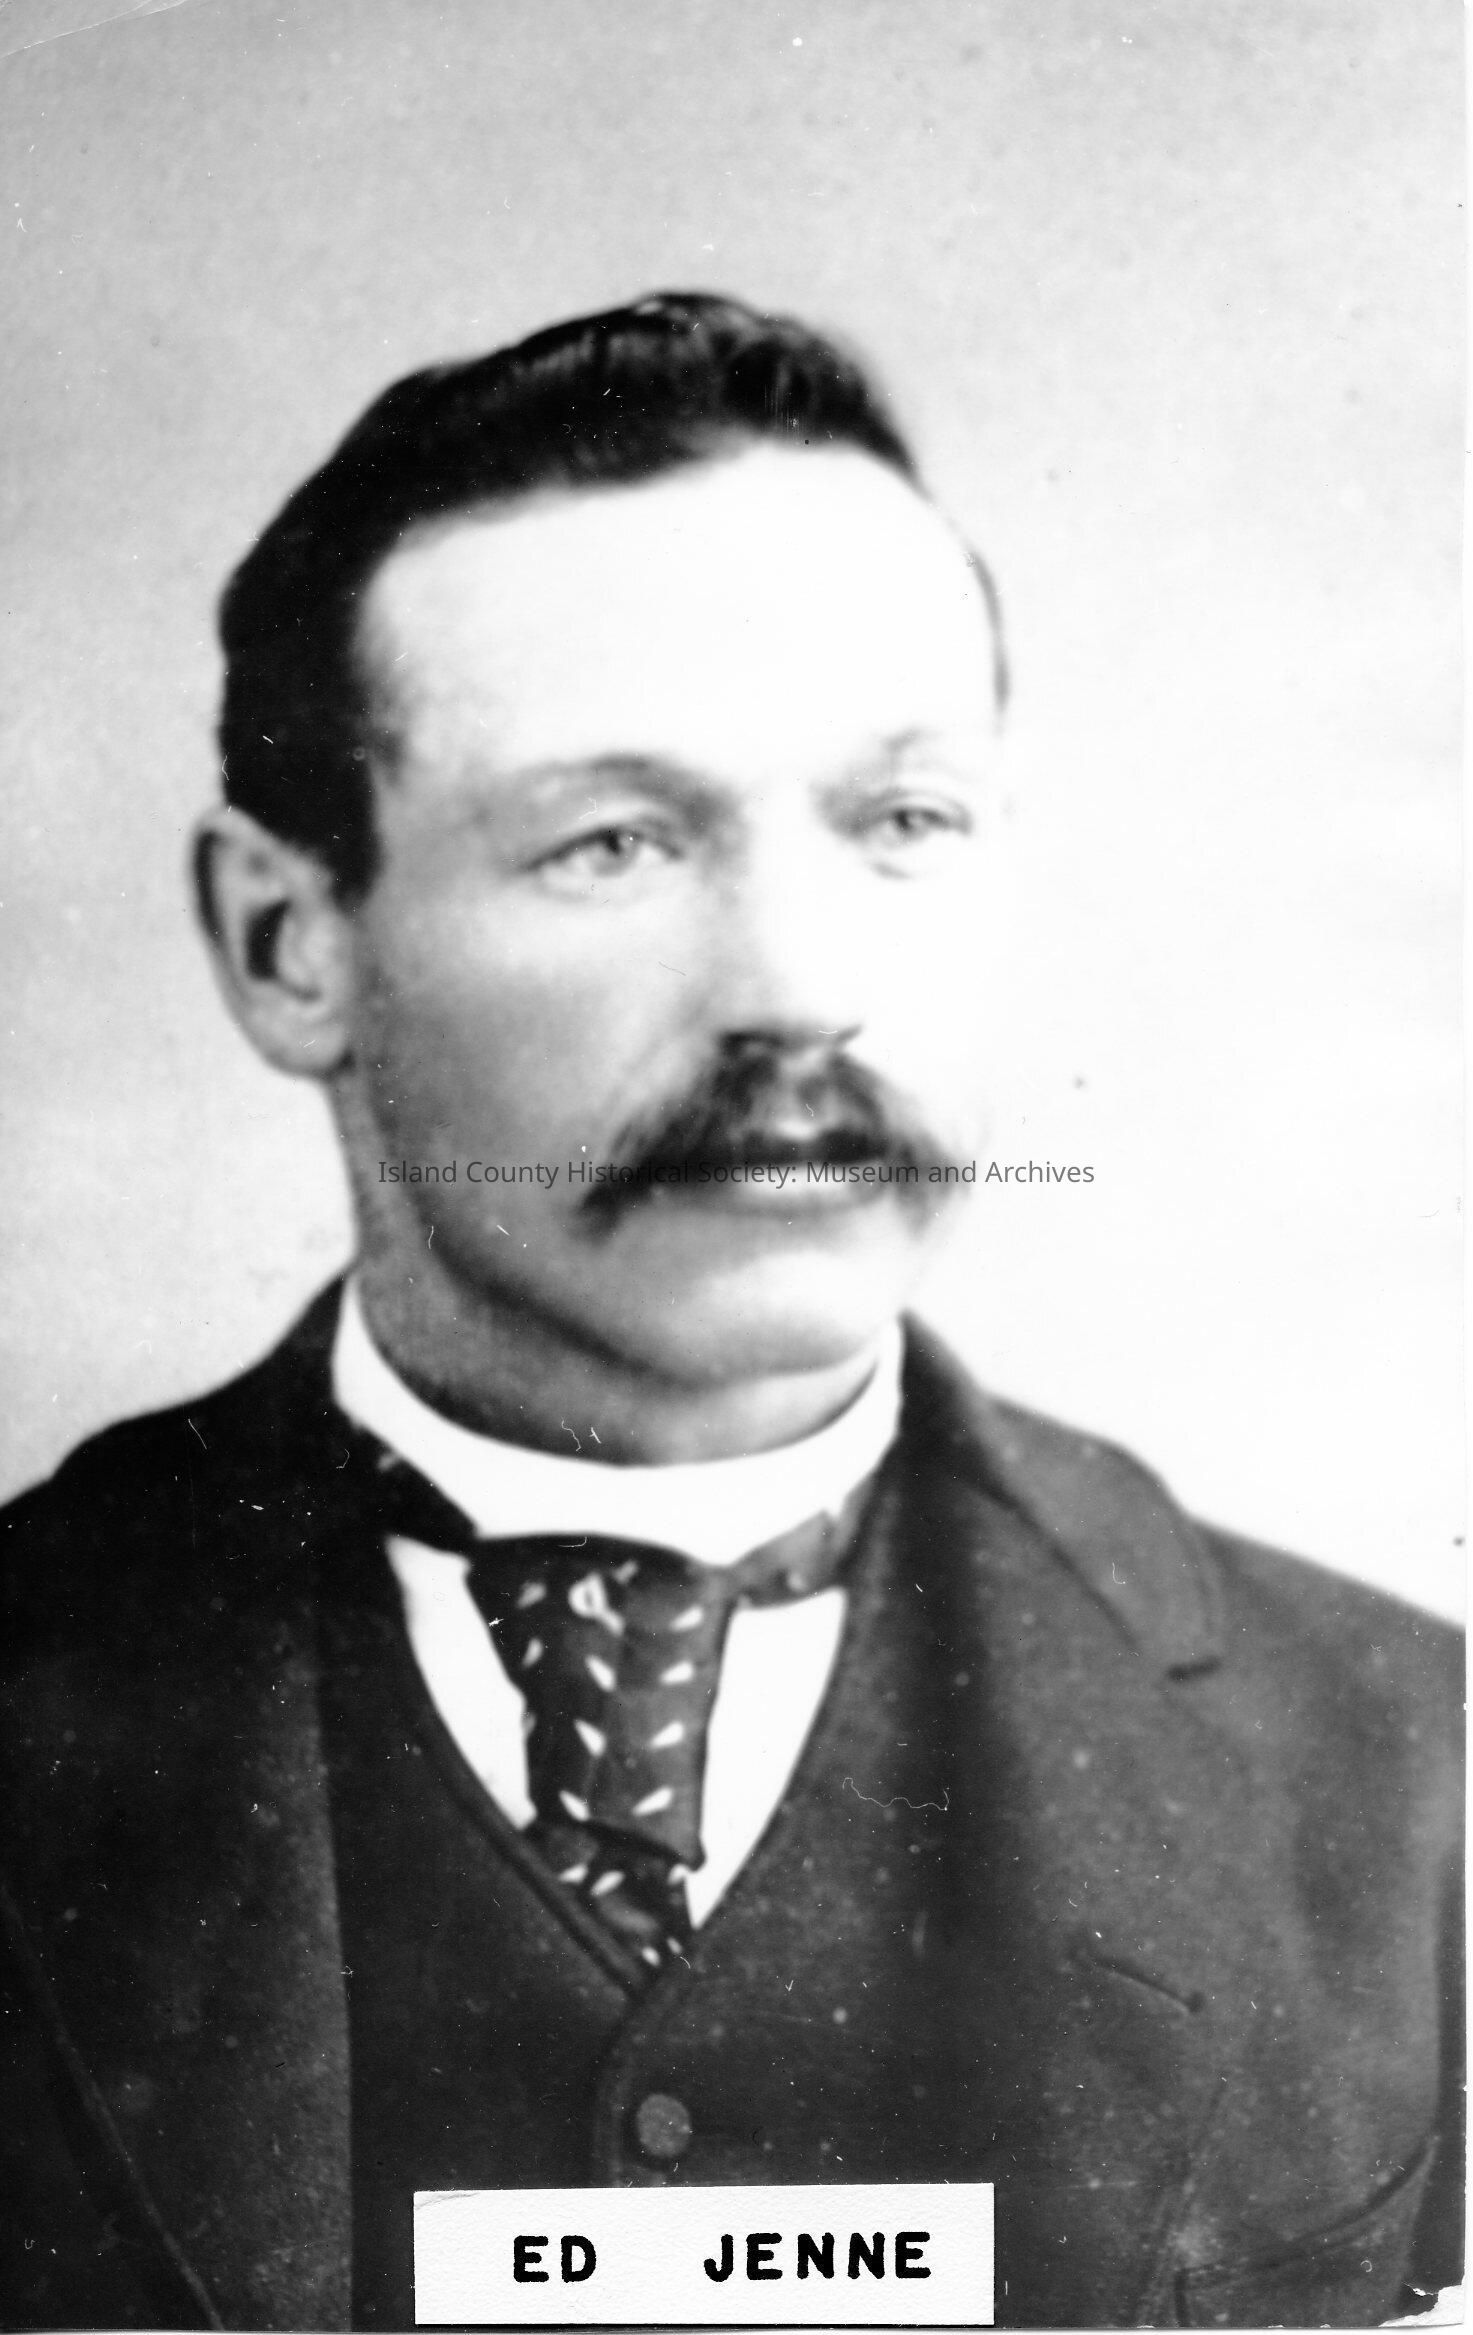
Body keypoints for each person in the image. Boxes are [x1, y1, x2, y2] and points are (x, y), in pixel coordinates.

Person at [0, 293, 1460, 2333]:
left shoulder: (1411, 1775)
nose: (797, 987)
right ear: (286, 943)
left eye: (901, 822)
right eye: (612, 840)